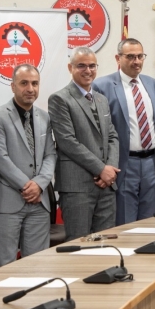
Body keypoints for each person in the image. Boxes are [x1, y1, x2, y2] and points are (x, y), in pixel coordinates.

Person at [0, 64, 56, 268]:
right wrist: (28, 186)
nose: (30, 89)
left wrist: (39, 184)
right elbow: (0, 158)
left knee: (37, 265)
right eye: (24, 83)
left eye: (35, 83)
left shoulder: (44, 117)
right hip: (8, 201)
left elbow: (50, 154)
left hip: (39, 203)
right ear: (13, 86)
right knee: (5, 265)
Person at [48, 47, 120, 241]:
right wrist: (101, 169)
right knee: (78, 244)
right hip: (77, 187)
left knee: (105, 244)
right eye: (81, 66)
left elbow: (112, 136)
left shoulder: (101, 99)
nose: (88, 70)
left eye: (92, 66)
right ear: (70, 68)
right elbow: (67, 142)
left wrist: (110, 170)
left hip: (106, 186)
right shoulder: (59, 99)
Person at [93, 38, 155, 224]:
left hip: (152, 163)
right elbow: (98, 132)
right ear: (118, 58)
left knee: (150, 222)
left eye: (140, 56)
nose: (137, 61)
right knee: (125, 222)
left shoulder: (151, 83)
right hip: (124, 164)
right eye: (131, 57)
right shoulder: (102, 86)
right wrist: (103, 166)